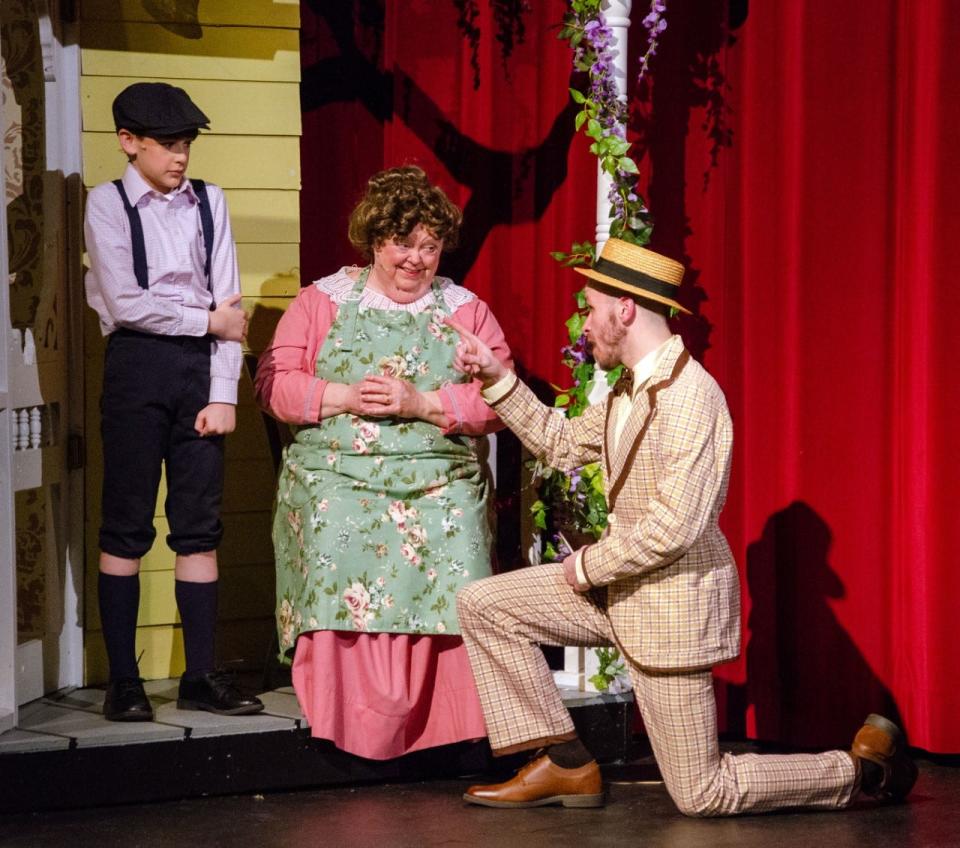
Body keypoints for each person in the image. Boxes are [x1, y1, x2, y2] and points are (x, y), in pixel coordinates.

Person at [448, 238, 917, 814]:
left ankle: (861, 769)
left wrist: (587, 566)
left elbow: (676, 526)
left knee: (701, 793)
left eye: (591, 309)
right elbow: (561, 443)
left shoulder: (692, 397)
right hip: (614, 593)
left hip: (669, 609)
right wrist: (497, 376)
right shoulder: (631, 388)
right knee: (484, 604)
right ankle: (567, 764)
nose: (584, 325)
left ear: (625, 310)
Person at [254, 165, 512, 759]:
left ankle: (452, 718)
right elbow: (273, 385)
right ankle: (346, 713)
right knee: (333, 515)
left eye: (429, 246)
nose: (416, 260)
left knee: (453, 524)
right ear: (375, 241)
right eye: (403, 244)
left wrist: (423, 402)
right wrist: (340, 396)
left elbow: (500, 396)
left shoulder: (465, 309)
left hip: (435, 472)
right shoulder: (321, 302)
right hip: (338, 471)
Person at [85, 82, 264, 721]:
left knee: (198, 527)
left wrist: (225, 394)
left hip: (199, 374)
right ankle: (124, 682)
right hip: (136, 368)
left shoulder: (208, 203)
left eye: (186, 142)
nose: (180, 155)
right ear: (129, 142)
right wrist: (205, 319)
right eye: (166, 143)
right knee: (127, 524)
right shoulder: (107, 206)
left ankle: (201, 674)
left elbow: (232, 307)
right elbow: (128, 302)